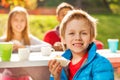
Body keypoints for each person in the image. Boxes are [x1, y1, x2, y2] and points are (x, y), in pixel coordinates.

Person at [48, 10, 114, 80]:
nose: (77, 38)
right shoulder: (61, 65)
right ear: (63, 39)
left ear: (91, 38)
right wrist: (56, 78)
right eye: (72, 33)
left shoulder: (101, 64)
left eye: (83, 33)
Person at [0, 6, 51, 80]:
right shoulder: (4, 41)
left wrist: (24, 47)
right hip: (7, 76)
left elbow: (48, 46)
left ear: (26, 23)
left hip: (25, 77)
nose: (19, 23)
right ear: (10, 22)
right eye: (16, 20)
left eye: (22, 20)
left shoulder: (29, 39)